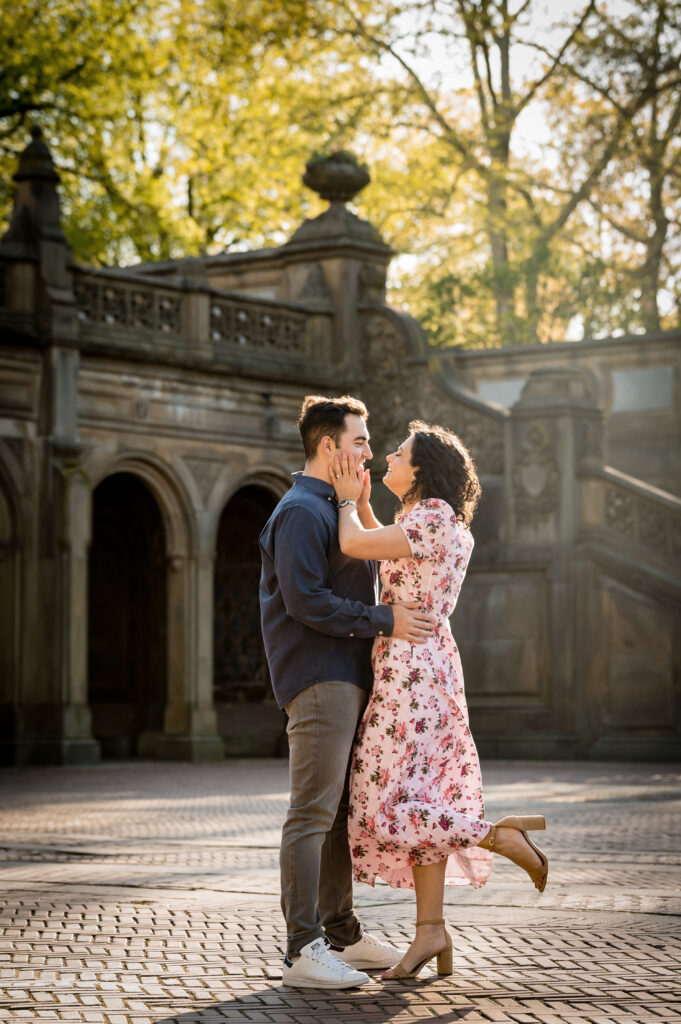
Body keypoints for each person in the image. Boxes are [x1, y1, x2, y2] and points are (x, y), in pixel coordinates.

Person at [328, 421, 549, 981]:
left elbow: (354, 543)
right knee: (417, 796)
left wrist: (345, 500)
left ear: (421, 469)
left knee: (386, 807)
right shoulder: (432, 521)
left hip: (411, 675)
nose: (386, 462)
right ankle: (431, 932)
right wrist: (364, 506)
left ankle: (497, 836)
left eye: (397, 455)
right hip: (426, 671)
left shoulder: (428, 520)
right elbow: (381, 543)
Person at [259, 395, 437, 990]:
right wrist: (386, 619)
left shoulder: (333, 508)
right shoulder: (301, 512)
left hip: (346, 676)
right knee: (311, 813)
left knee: (336, 813)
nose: (367, 450)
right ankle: (301, 950)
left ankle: (342, 934)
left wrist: (356, 504)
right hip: (319, 678)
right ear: (329, 446)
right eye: (360, 441)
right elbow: (306, 600)